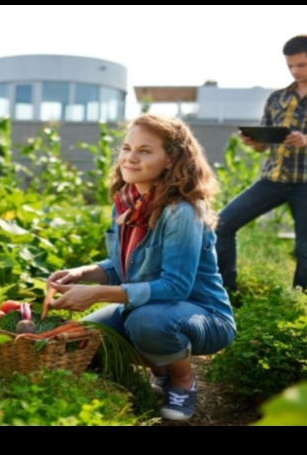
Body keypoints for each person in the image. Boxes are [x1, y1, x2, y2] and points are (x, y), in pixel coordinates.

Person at [46, 114, 236, 421]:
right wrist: (84, 273)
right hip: (146, 307)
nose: (130, 158)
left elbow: (175, 287)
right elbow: (125, 263)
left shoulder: (182, 212)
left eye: (145, 151)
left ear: (171, 159)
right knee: (88, 337)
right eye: (126, 148)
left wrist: (96, 294)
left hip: (202, 314)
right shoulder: (127, 203)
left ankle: (183, 380)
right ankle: (160, 367)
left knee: (146, 323)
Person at [215, 35, 307, 293]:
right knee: (221, 224)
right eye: (290, 66)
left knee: (306, 249)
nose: (296, 71)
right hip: (272, 180)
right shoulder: (278, 98)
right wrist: (254, 141)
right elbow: (265, 146)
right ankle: (227, 293)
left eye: (302, 65)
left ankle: (301, 306)